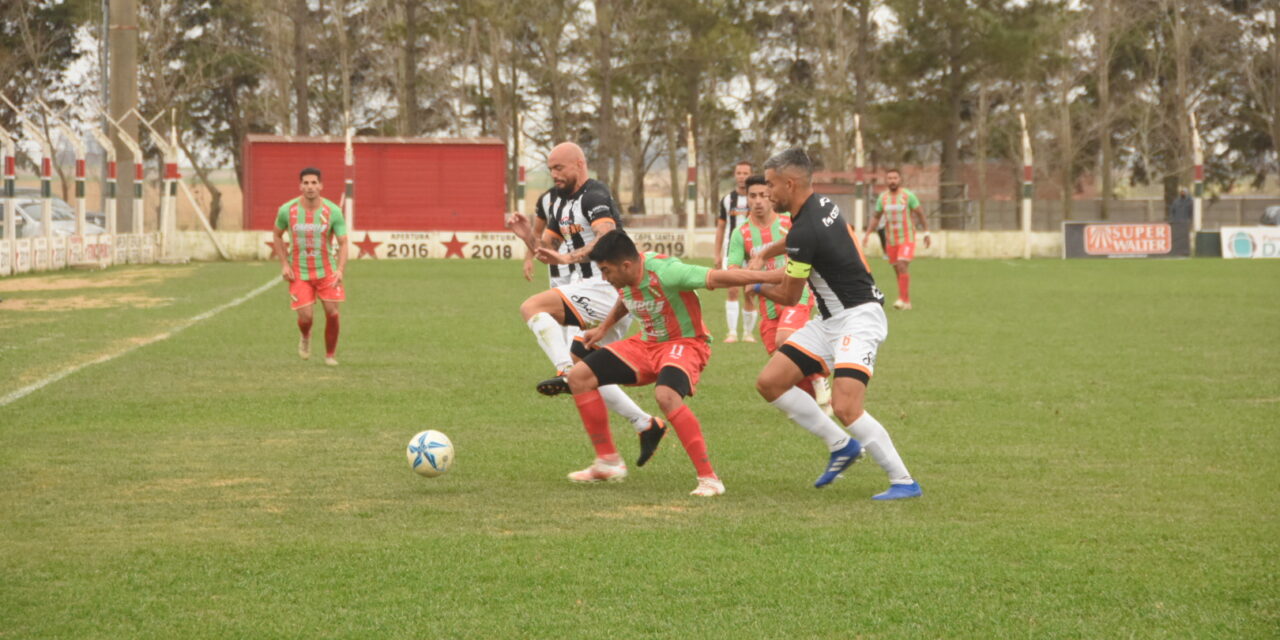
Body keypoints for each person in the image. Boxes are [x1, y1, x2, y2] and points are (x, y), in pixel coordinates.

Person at [547, 229, 783, 496]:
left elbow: (719, 276)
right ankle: (608, 462)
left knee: (666, 395)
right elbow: (628, 298)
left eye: (606, 270)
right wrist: (604, 328)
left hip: (685, 343)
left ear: (626, 265)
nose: (604, 277)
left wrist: (774, 276)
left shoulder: (667, 272)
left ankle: (709, 479)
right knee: (579, 377)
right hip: (646, 345)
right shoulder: (624, 278)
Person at [753, 148, 921, 501]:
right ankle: (841, 446)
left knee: (846, 405)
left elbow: (786, 295)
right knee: (770, 382)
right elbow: (800, 240)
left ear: (790, 182)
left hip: (858, 318)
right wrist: (769, 251)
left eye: (770, 185)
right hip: (830, 320)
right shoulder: (822, 205)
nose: (767, 193)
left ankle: (903, 480)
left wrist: (751, 283)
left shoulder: (805, 231)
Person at [504, 142, 666, 462]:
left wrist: (568, 256)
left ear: (579, 164)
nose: (554, 175)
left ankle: (563, 369)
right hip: (591, 291)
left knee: (532, 307)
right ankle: (645, 424)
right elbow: (546, 248)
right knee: (587, 372)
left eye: (559, 168)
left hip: (604, 287)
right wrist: (527, 237)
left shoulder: (594, 196)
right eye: (550, 169)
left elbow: (606, 237)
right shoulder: (559, 204)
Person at [726, 174, 832, 415]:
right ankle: (819, 406)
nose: (759, 201)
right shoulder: (740, 234)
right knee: (785, 366)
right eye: (753, 196)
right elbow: (733, 268)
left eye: (763, 195)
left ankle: (819, 374)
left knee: (785, 340)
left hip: (797, 294)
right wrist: (743, 275)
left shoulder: (789, 223)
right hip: (768, 304)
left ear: (771, 195)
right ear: (747, 199)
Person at [272, 167, 348, 366]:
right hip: (299, 272)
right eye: (306, 183)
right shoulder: (287, 210)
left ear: (321, 186)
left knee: (332, 312)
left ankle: (330, 355)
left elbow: (343, 242)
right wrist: (284, 264)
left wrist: (340, 270)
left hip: (327, 271)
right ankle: (305, 335)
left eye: (314, 182)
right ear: (300, 186)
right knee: (306, 318)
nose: (310, 187)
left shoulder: (333, 211)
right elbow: (277, 235)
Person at [865, 169, 930, 310]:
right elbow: (876, 216)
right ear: (886, 180)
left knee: (902, 265)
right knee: (898, 270)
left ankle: (902, 299)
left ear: (900, 179)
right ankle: (906, 301)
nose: (892, 181)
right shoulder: (883, 198)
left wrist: (926, 232)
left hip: (907, 237)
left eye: (895, 178)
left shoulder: (908, 196)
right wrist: (868, 233)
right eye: (889, 178)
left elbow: (920, 213)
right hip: (891, 240)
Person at [713, 161, 758, 343]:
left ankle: (748, 333)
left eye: (745, 173)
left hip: (753, 252)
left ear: (751, 175)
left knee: (749, 291)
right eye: (739, 173)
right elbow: (720, 228)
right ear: (735, 175)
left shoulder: (757, 198)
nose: (742, 176)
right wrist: (717, 253)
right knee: (732, 290)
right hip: (731, 251)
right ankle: (732, 332)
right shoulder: (727, 200)